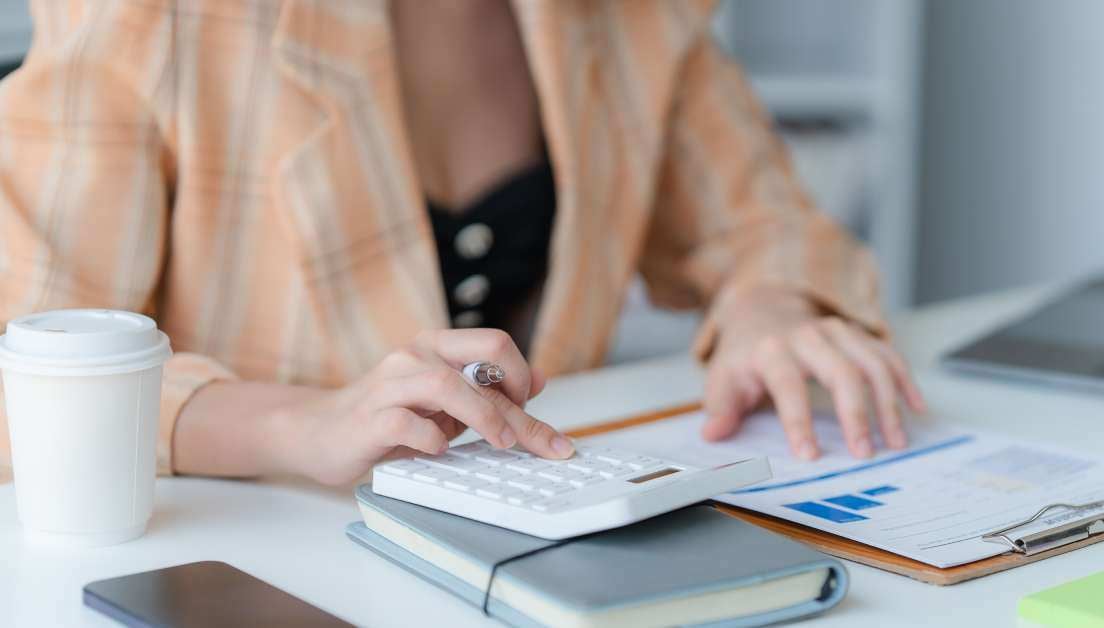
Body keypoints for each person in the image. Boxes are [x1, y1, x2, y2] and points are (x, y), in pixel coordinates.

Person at [0, 0, 924, 486]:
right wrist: (291, 424)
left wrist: (769, 305)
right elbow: (23, 369)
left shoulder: (634, 15)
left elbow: (769, 227)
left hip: (539, 559)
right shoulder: (152, 12)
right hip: (253, 562)